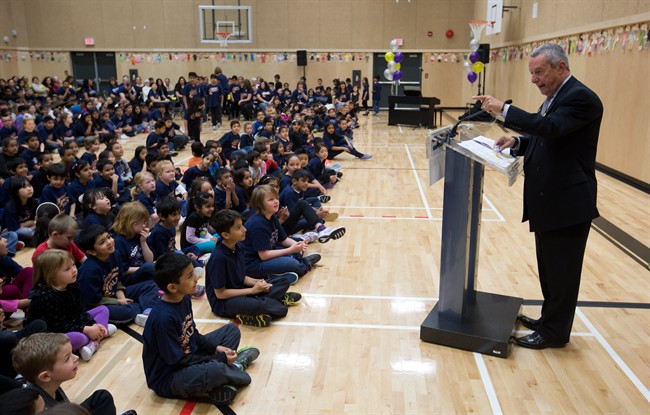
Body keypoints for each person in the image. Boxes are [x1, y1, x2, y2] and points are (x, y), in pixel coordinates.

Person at [473, 43, 603, 350]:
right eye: (532, 73)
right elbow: (543, 135)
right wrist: (517, 141)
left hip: (568, 202)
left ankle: (555, 333)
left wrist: (503, 109)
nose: (535, 80)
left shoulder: (580, 98)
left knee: (563, 272)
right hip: (550, 201)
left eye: (539, 72)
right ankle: (549, 320)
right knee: (549, 268)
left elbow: (551, 127)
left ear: (561, 67)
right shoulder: (558, 96)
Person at [142, 252, 259, 405]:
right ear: (172, 287)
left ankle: (224, 375)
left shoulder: (183, 298)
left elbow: (193, 335)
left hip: (188, 355)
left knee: (231, 331)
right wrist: (219, 358)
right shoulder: (163, 319)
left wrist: (216, 348)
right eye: (190, 276)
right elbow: (177, 362)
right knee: (215, 370)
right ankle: (234, 367)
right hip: (169, 377)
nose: (196, 278)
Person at [206, 209, 301, 327]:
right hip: (225, 302)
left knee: (282, 281)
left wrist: (259, 283)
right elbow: (221, 294)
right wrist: (252, 290)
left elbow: (242, 277)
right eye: (238, 228)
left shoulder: (238, 247)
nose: (244, 230)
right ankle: (273, 301)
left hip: (241, 290)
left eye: (242, 225)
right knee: (271, 308)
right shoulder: (218, 258)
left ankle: (265, 303)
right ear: (226, 235)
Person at [27, 250, 117, 361]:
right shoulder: (45, 297)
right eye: (67, 269)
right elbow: (57, 326)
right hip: (51, 333)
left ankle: (93, 340)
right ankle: (100, 333)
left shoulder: (71, 285)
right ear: (52, 275)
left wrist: (92, 324)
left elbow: (80, 311)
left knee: (103, 310)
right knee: (77, 338)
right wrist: (85, 329)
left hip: (72, 323)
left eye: (74, 265)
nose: (74, 270)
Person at [12, 333, 117, 414]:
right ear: (45, 376)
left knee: (102, 397)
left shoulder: (48, 384)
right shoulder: (41, 408)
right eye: (67, 358)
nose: (76, 358)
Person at [76, 224, 158, 326]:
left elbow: (118, 279)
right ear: (92, 252)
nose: (109, 242)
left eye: (109, 237)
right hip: (100, 304)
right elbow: (92, 301)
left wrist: (122, 297)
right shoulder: (89, 271)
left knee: (149, 285)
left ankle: (147, 312)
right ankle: (139, 308)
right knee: (131, 308)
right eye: (102, 242)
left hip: (114, 295)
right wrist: (118, 301)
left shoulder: (115, 254)